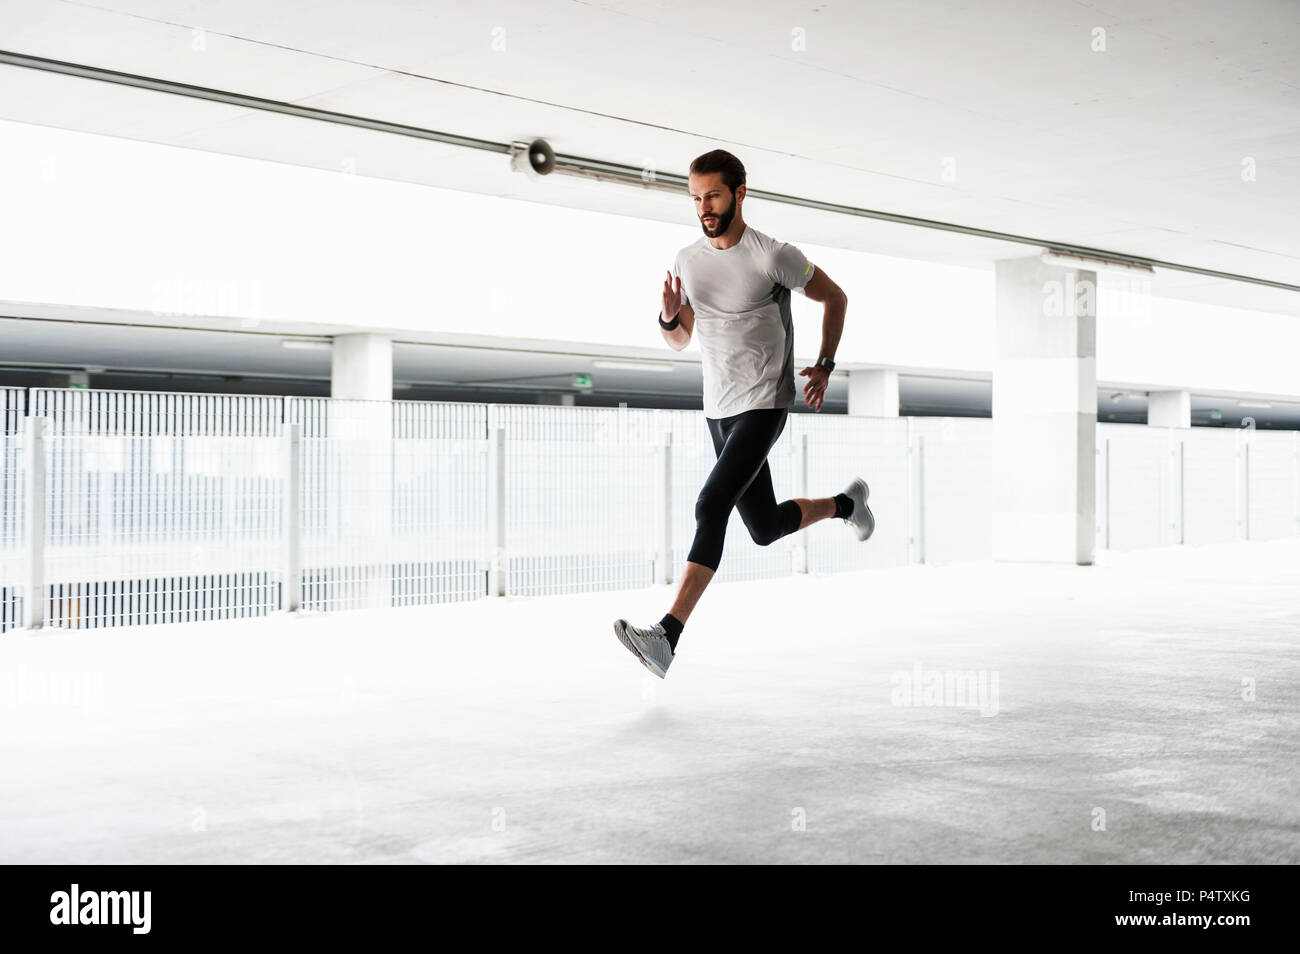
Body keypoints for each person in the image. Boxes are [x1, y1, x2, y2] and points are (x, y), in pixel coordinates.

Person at [614, 149, 875, 679]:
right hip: (719, 408)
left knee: (710, 505)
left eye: (712, 195)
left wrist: (824, 364)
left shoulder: (771, 254)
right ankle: (847, 505)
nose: (703, 207)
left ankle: (667, 635)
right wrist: (668, 315)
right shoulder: (688, 259)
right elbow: (681, 340)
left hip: (765, 402)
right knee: (762, 526)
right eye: (695, 198)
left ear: (739, 192)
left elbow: (836, 298)